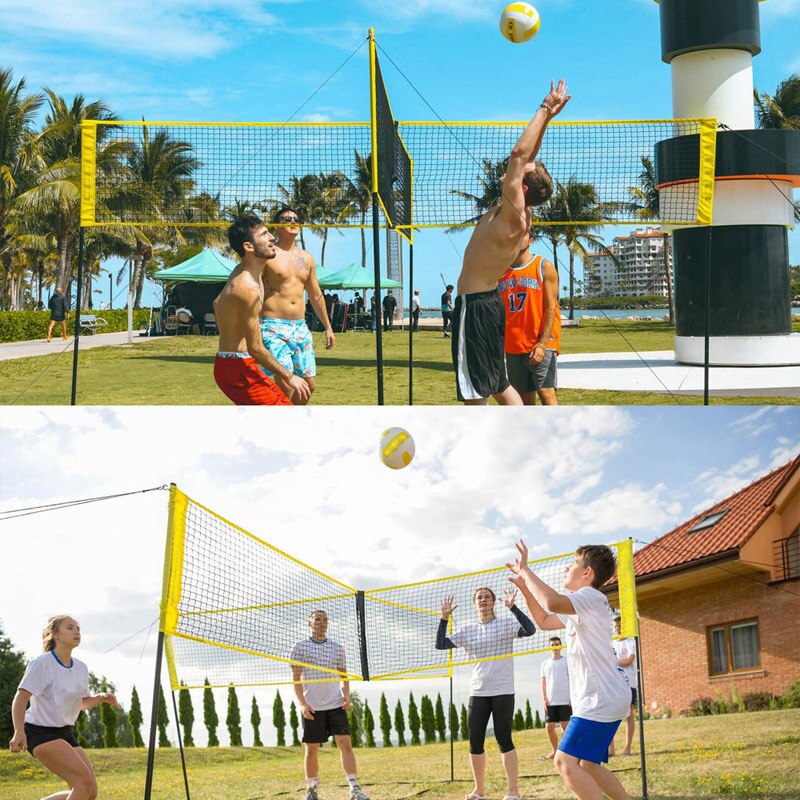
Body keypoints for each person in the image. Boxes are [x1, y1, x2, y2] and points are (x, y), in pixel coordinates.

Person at [452, 80, 570, 405]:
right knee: (501, 386)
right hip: (488, 303)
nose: (512, 170)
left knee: (475, 396)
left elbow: (520, 153)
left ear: (524, 189)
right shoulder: (519, 214)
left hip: (474, 307)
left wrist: (545, 107)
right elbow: (527, 156)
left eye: (521, 173)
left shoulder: (513, 215)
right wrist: (548, 121)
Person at [507, 541, 632, 800]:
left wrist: (527, 572)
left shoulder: (590, 597)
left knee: (564, 762)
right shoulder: (580, 605)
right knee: (587, 765)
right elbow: (543, 621)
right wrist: (525, 588)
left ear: (587, 573)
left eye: (573, 563)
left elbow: (552, 602)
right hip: (608, 696)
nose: (567, 567)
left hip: (600, 699)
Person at [436, 587, 536, 800]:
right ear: (474, 604)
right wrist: (444, 618)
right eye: (479, 597)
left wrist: (513, 607)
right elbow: (440, 644)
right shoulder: (468, 629)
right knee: (475, 741)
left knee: (504, 739)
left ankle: (513, 791)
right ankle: (479, 791)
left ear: (493, 602)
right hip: (478, 691)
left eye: (487, 597)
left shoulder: (506, 624)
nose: (483, 600)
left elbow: (530, 630)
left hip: (503, 690)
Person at [8, 616, 120, 800]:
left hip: (65, 733)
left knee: (90, 792)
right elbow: (21, 698)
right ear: (55, 635)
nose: (77, 631)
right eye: (70, 627)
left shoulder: (81, 668)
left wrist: (101, 698)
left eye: (78, 628)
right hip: (39, 732)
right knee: (83, 784)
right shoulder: (42, 663)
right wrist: (18, 732)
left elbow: (81, 703)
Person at [213, 215, 310, 406]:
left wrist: (231, 323)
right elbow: (256, 348)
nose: (272, 238)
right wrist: (290, 376)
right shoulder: (246, 289)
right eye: (264, 234)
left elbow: (217, 303)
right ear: (249, 247)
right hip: (235, 367)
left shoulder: (244, 271)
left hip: (237, 362)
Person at [259, 207, 335, 405]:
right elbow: (254, 289)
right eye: (287, 219)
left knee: (309, 386)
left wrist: (328, 327)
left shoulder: (306, 258)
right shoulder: (268, 254)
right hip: (272, 325)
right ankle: (285, 426)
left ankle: (292, 420)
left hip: (300, 327)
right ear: (277, 226)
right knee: (286, 382)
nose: (292, 222)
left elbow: (316, 294)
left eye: (296, 219)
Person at [290, 610, 369, 800]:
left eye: (325, 620)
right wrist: (302, 704)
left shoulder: (337, 648)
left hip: (335, 705)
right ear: (310, 623)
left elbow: (344, 676)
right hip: (312, 707)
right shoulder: (299, 647)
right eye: (317, 619)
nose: (322, 622)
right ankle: (312, 791)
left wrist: (346, 695)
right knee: (312, 749)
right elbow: (296, 679)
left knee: (345, 744)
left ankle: (354, 788)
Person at [498, 232, 561, 405]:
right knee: (524, 398)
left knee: (546, 392)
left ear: (531, 241)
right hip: (514, 346)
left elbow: (551, 307)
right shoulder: (501, 271)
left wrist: (542, 343)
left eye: (523, 235)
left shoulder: (543, 266)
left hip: (541, 343)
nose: (518, 239)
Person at [609, 616, 637, 757]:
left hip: (629, 683)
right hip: (614, 683)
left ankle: (627, 748)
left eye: (619, 625)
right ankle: (611, 750)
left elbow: (629, 660)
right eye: (615, 626)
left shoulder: (630, 640)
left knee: (629, 715)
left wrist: (613, 662)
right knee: (610, 715)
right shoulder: (610, 642)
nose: (617, 628)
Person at [540, 635, 572, 759]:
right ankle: (555, 751)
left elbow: (572, 679)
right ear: (549, 647)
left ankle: (567, 752)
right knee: (549, 727)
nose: (555, 647)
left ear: (561, 645)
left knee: (566, 728)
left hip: (565, 699)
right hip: (550, 701)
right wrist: (544, 699)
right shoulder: (544, 664)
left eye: (557, 644)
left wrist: (571, 697)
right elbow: (543, 683)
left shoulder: (567, 661)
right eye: (552, 645)